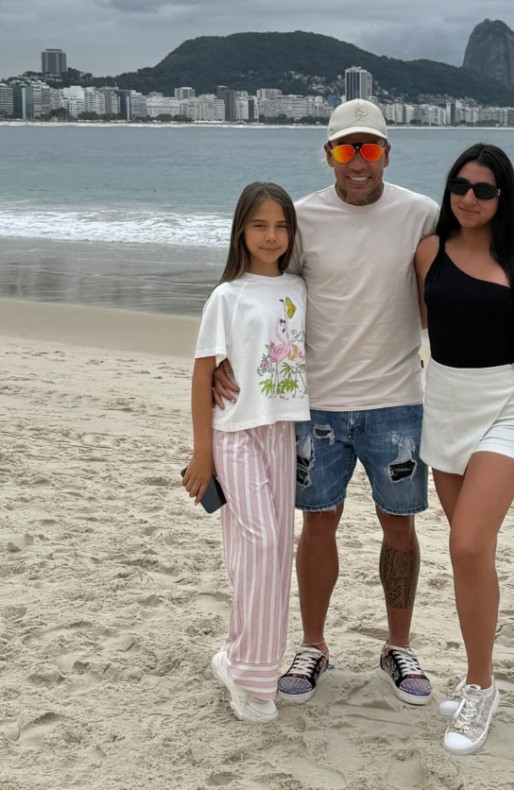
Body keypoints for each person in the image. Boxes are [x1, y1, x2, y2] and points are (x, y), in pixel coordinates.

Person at [212, 100, 440, 706]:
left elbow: (468, 279)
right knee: (318, 524)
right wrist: (223, 359)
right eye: (346, 148)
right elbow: (261, 290)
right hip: (317, 404)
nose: (358, 161)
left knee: (400, 527)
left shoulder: (421, 213)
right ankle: (313, 645)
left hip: (398, 400)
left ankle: (398, 646)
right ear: (329, 154)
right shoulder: (303, 218)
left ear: (388, 153)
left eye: (370, 148)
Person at [414, 143, 514, 755]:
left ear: (504, 197)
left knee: (469, 544)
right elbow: (419, 323)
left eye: (484, 190)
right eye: (460, 186)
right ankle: (479, 673)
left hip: (505, 408)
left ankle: (480, 686)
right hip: (444, 406)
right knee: (471, 556)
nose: (469, 199)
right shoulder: (428, 252)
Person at [183, 182, 309, 723]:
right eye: (260, 225)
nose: (271, 236)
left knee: (275, 553)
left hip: (281, 432)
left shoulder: (299, 287)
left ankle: (240, 657)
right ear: (241, 230)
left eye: (281, 226)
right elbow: (202, 375)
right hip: (233, 432)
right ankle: (252, 680)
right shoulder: (226, 296)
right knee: (259, 544)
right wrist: (202, 454)